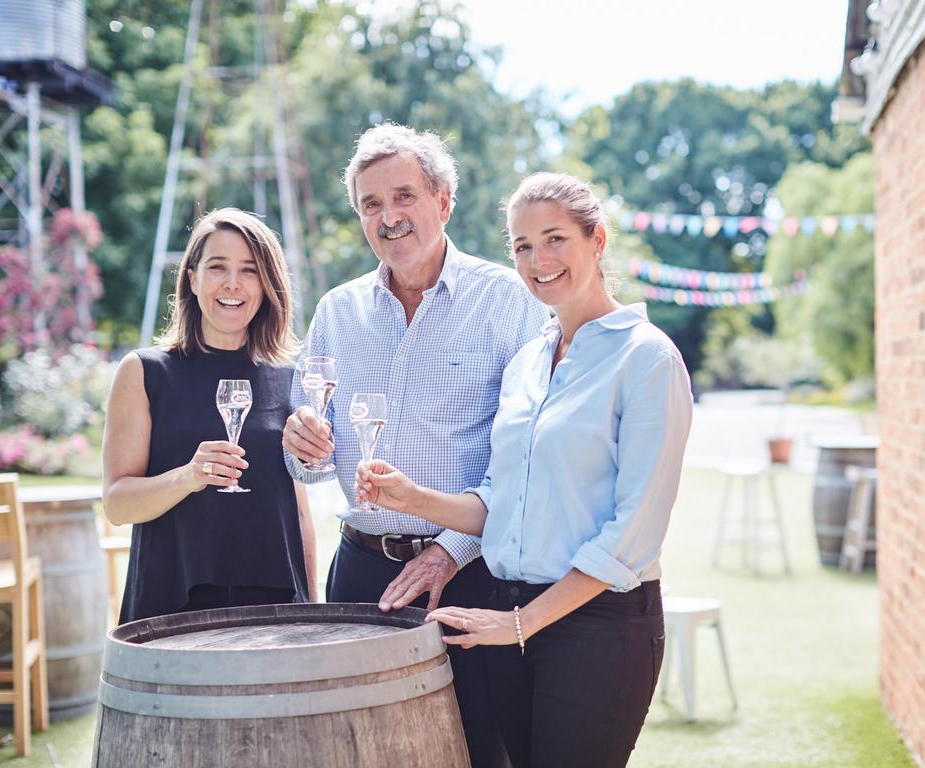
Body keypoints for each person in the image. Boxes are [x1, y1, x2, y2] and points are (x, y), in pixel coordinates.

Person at [356, 172, 693, 768]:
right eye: (521, 246)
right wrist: (411, 499)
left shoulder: (646, 358)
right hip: (506, 614)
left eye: (555, 239)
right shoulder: (529, 362)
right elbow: (501, 502)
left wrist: (520, 624)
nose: (538, 260)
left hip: (598, 626)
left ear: (597, 240)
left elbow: (632, 534)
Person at [282, 124, 549, 767]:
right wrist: (302, 442)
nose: (389, 216)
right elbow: (305, 454)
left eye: (403, 196)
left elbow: (529, 453)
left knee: (479, 748)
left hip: (473, 571)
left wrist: (451, 551)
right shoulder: (337, 312)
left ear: (444, 201)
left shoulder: (510, 300)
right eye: (371, 204)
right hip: (361, 570)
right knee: (357, 749)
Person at [103, 208, 317, 624]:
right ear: (192, 278)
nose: (232, 284)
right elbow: (116, 505)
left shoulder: (291, 378)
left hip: (274, 612)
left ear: (267, 284)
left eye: (249, 270)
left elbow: (298, 509)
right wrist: (187, 477)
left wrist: (312, 608)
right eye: (217, 267)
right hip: (171, 609)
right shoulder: (144, 372)